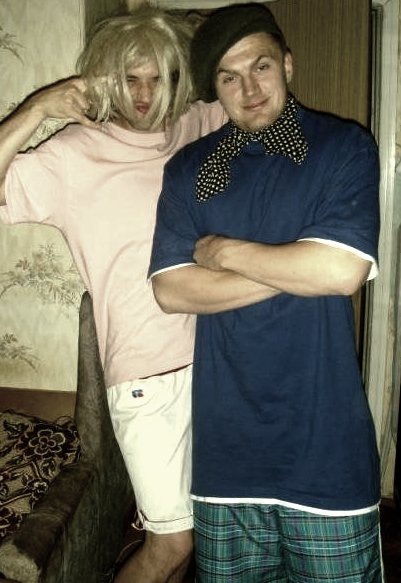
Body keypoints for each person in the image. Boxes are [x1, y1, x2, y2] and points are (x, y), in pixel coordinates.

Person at [149, 3, 384, 582]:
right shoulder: (189, 168)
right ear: (215, 90)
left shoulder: (343, 147)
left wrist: (222, 251)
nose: (249, 89)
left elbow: (341, 273)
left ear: (288, 64)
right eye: (229, 77)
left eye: (261, 66)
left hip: (327, 453)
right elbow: (172, 290)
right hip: (225, 458)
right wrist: (295, 265)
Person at [0, 4, 225, 582]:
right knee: (170, 545)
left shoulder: (195, 124)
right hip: (147, 377)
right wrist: (36, 109)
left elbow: (249, 83)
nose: (145, 96)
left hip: (221, 362)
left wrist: (196, 29)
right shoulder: (75, 154)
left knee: (198, 536)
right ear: (107, 79)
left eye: (159, 78)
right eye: (130, 79)